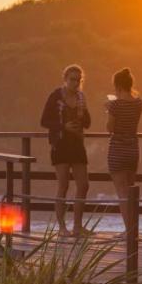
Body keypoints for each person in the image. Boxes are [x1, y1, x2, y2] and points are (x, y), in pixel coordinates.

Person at [40, 64, 90, 237]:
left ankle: (78, 226)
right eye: (72, 79)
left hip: (77, 143)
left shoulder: (81, 97)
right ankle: (62, 227)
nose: (75, 83)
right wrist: (63, 126)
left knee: (83, 184)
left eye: (78, 80)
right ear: (65, 79)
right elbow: (44, 121)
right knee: (63, 185)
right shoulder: (55, 96)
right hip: (60, 144)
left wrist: (82, 115)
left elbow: (88, 123)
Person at [105, 68, 142, 234]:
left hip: (117, 150)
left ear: (117, 86)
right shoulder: (138, 103)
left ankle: (130, 231)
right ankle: (133, 228)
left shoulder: (115, 105)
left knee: (122, 193)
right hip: (133, 149)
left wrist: (108, 109)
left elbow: (109, 128)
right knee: (131, 191)